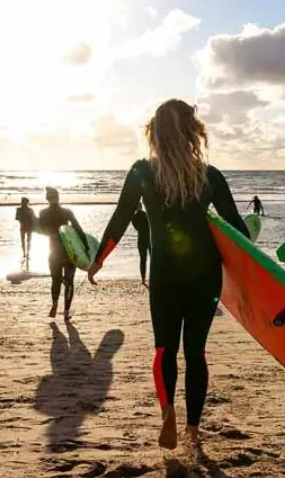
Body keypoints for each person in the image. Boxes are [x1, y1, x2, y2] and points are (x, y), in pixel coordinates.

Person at [87, 98, 249, 451]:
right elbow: (239, 231)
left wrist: (99, 259)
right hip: (205, 274)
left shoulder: (142, 171)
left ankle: (167, 412)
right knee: (196, 352)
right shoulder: (210, 176)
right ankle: (192, 430)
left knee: (164, 349)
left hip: (163, 274)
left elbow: (119, 218)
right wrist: (254, 274)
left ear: (154, 132)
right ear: (194, 132)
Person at [39, 187, 87, 321]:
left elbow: (42, 229)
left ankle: (54, 304)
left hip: (54, 252)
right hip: (69, 252)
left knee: (55, 280)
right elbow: (78, 229)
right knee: (69, 282)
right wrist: (86, 247)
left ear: (47, 199)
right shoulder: (67, 212)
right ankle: (66, 312)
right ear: (58, 198)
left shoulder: (42, 213)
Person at [132, 203, 150, 286]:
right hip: (149, 239)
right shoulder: (147, 215)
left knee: (143, 260)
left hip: (141, 239)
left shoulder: (134, 217)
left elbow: (137, 228)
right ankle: (153, 277)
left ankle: (143, 280)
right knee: (152, 259)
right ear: (141, 206)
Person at [15, 197, 35, 263]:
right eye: (22, 202)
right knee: (23, 240)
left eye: (24, 202)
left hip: (28, 226)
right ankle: (24, 253)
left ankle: (27, 253)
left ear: (27, 202)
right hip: (24, 226)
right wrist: (21, 218)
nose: (23, 203)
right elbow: (16, 218)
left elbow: (34, 218)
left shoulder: (30, 209)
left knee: (28, 240)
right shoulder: (19, 209)